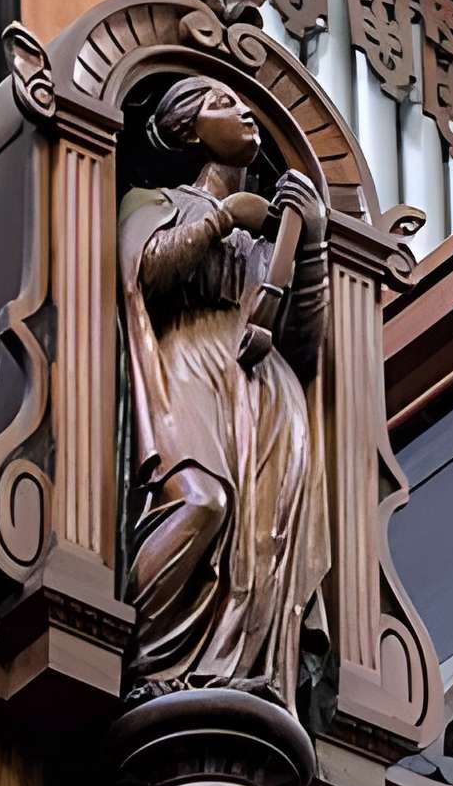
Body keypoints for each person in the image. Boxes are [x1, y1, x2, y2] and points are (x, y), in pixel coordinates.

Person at [118, 73, 329, 710]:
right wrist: (216, 219)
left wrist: (311, 241)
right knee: (202, 503)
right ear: (187, 130)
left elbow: (304, 341)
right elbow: (142, 273)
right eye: (219, 103)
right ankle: (148, 659)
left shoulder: (270, 242)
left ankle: (241, 674)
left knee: (262, 541)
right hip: (190, 362)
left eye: (243, 102)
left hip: (266, 389)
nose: (242, 110)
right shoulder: (152, 200)